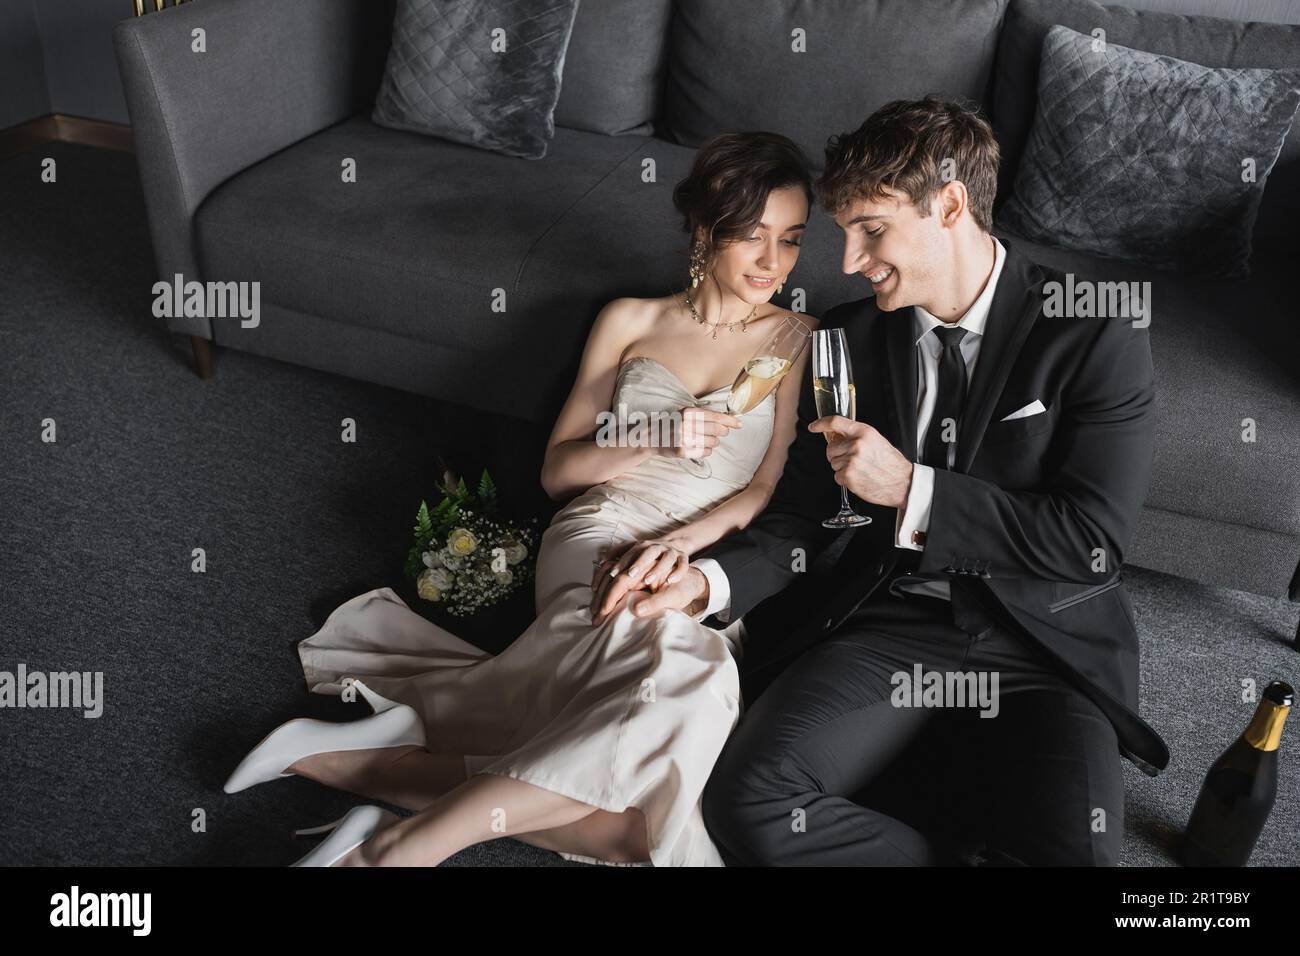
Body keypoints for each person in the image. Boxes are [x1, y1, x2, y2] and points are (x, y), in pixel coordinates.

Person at [222, 131, 820, 866]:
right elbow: (560, 472)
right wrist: (658, 435)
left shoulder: (798, 340)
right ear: (705, 229)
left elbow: (763, 487)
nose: (772, 263)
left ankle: (360, 786)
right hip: (603, 526)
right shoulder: (630, 321)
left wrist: (684, 550)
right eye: (752, 237)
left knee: (636, 830)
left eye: (790, 241)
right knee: (687, 675)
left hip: (696, 554)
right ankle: (387, 849)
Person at [618, 97, 1170, 866]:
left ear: (949, 205)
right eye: (844, 231)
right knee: (749, 801)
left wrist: (914, 488)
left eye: (871, 230)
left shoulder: (1092, 331)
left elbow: (1090, 544)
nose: (847, 260)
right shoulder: (848, 337)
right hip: (895, 632)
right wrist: (703, 584)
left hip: (1045, 648)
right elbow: (801, 520)